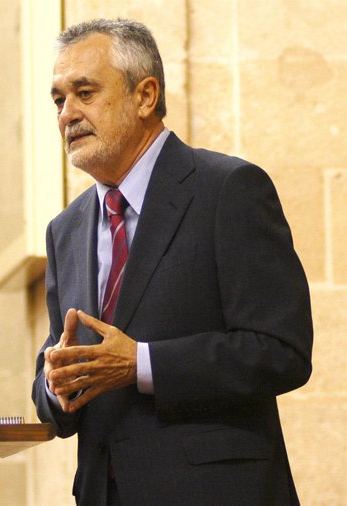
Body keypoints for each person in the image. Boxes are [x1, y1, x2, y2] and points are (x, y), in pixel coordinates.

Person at [32, 18, 313, 506]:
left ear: (145, 96)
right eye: (59, 100)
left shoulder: (228, 190)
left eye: (85, 92)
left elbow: (281, 351)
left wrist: (140, 364)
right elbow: (55, 370)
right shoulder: (66, 230)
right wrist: (55, 384)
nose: (67, 114)